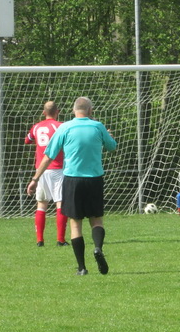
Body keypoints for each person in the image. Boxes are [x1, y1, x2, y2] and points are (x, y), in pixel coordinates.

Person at [28, 97, 117, 275]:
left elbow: (49, 156)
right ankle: (98, 248)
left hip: (72, 180)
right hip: (94, 179)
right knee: (96, 220)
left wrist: (35, 179)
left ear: (73, 111)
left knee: (75, 224)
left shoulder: (65, 127)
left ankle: (82, 268)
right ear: (90, 110)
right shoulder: (97, 126)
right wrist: (110, 137)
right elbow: (112, 146)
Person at [25, 101, 68, 246]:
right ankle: (60, 240)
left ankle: (39, 240)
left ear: (44, 113)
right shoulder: (61, 126)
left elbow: (27, 140)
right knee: (60, 204)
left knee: (41, 205)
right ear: (58, 111)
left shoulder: (36, 127)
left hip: (41, 170)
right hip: (58, 168)